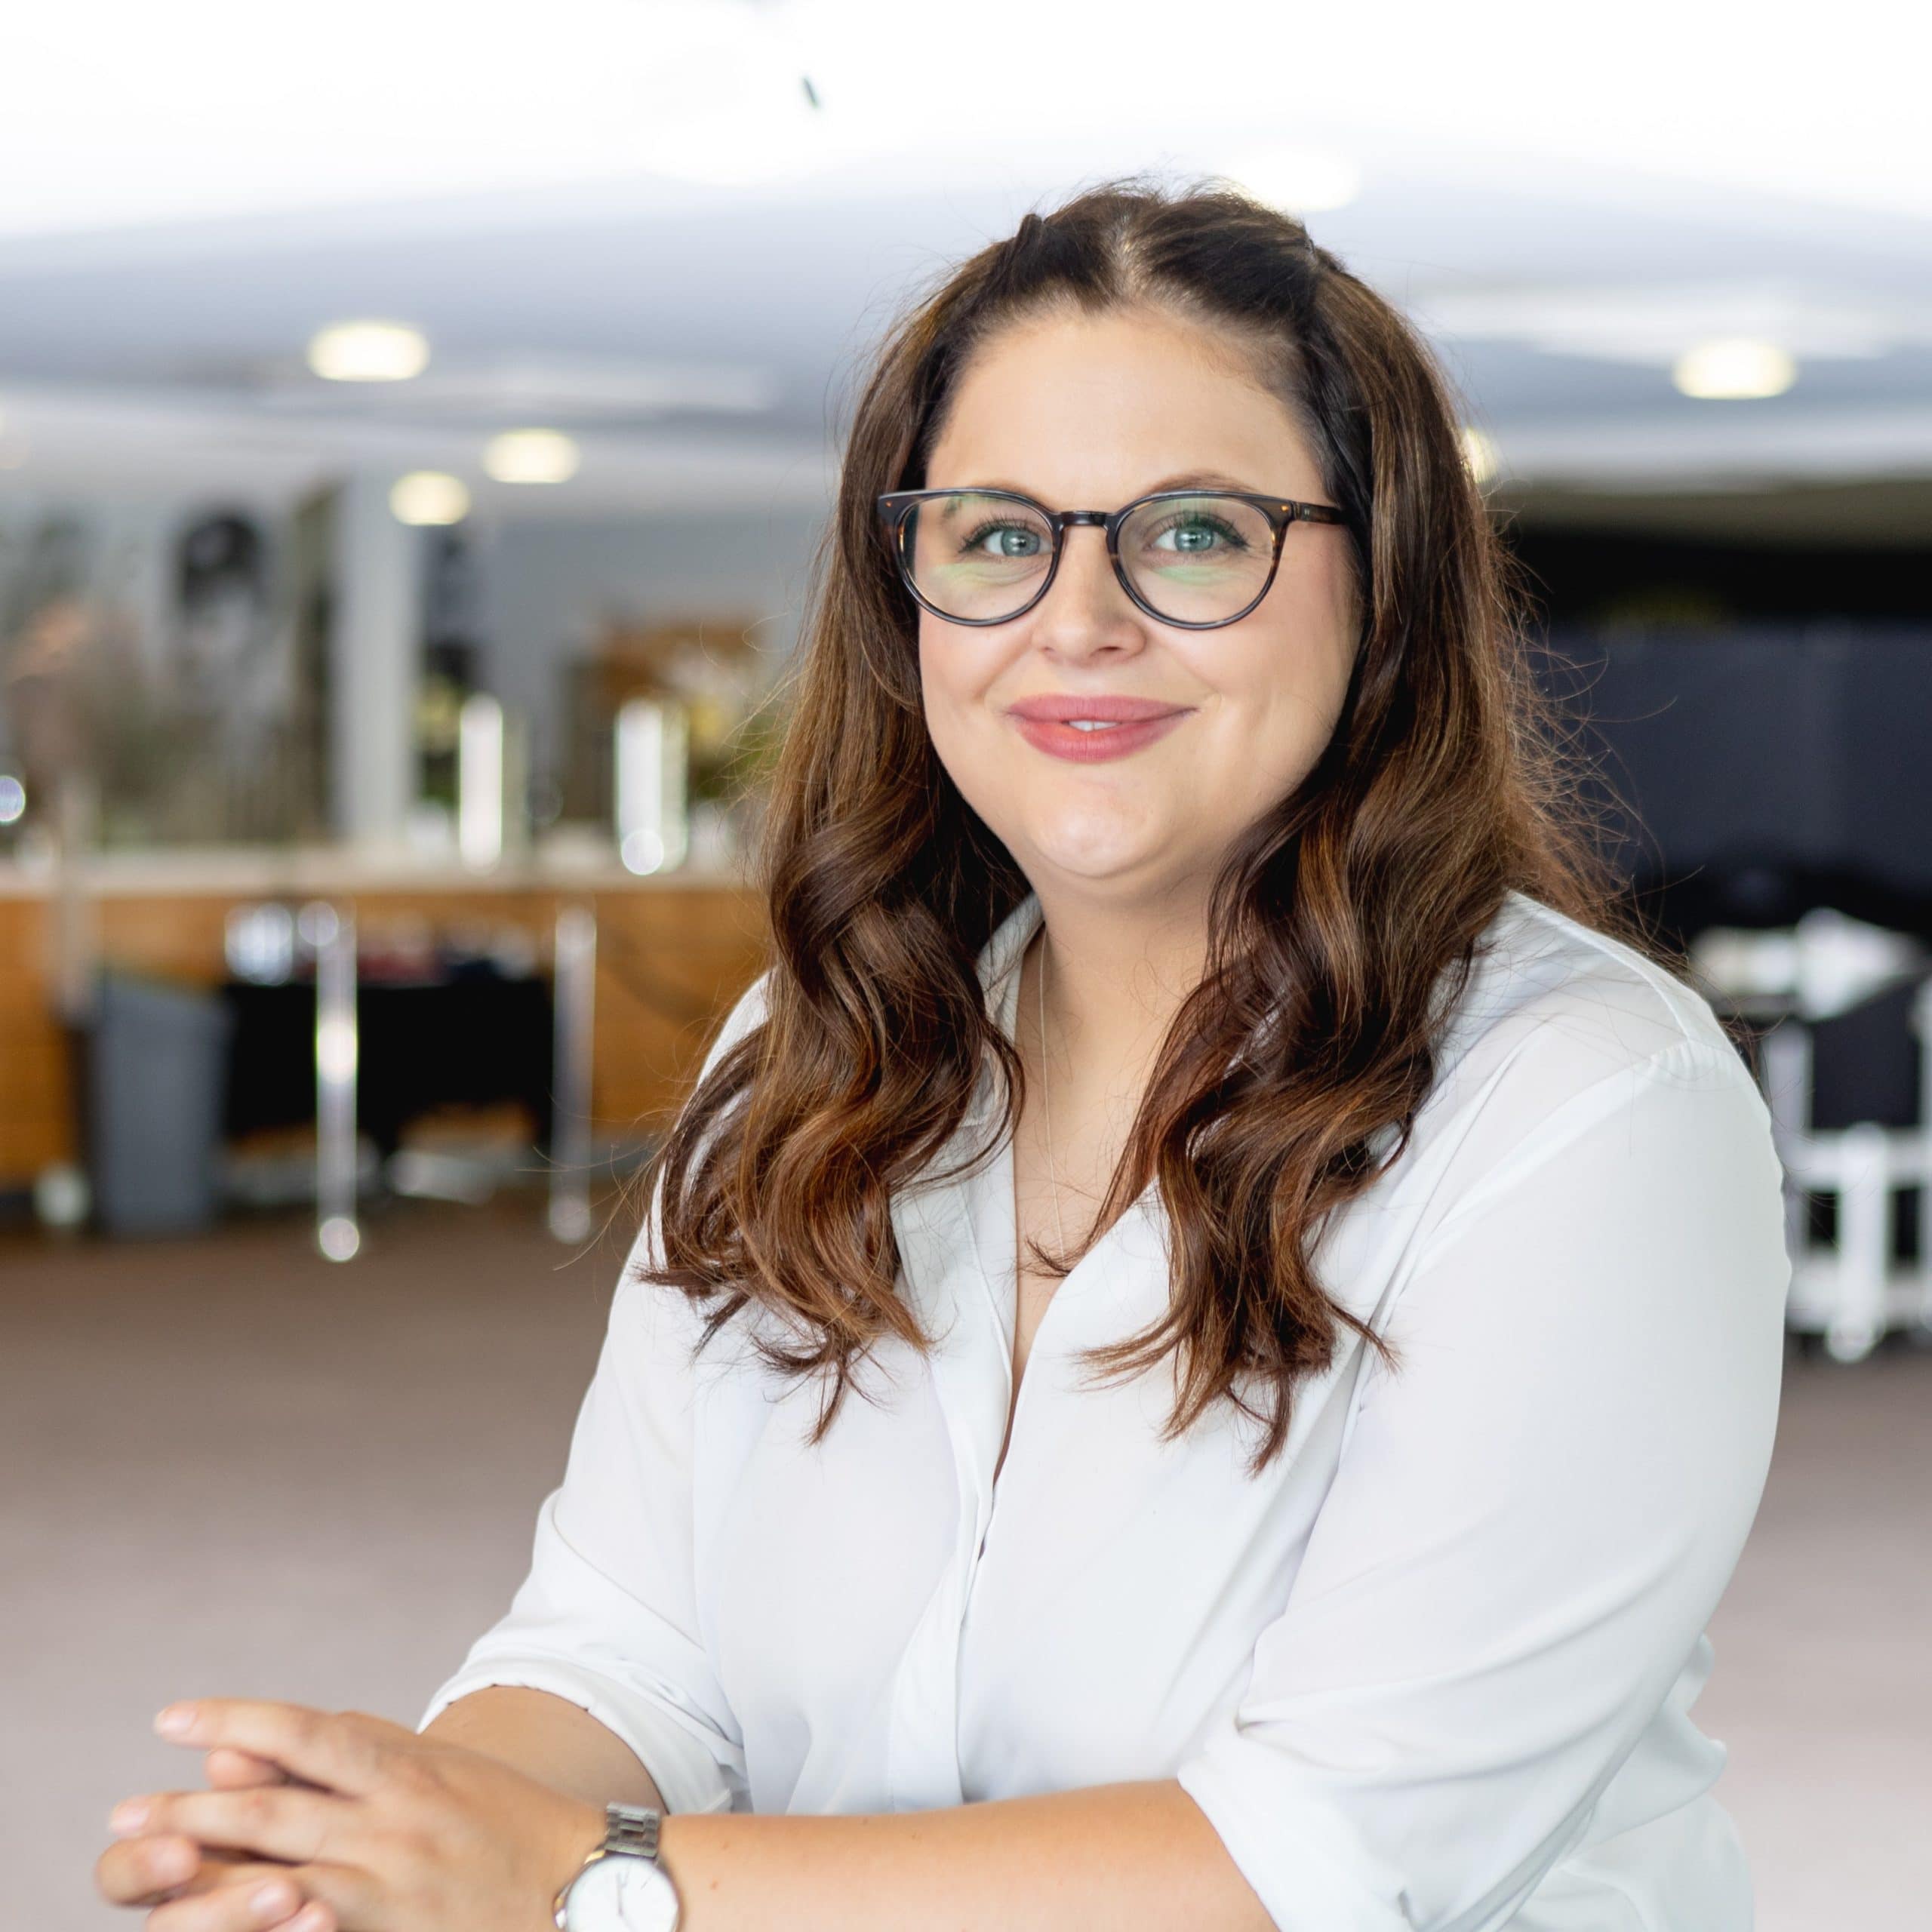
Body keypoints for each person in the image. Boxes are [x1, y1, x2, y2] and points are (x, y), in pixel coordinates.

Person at [96, 174, 1790, 1932]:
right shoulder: (815, 1052)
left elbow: (1319, 1863)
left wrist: (592, 1886)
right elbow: (627, 1649)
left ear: (1384, 585)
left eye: (1195, 530)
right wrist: (380, 1840)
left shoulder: (1582, 1105)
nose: (1076, 618)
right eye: (995, 535)